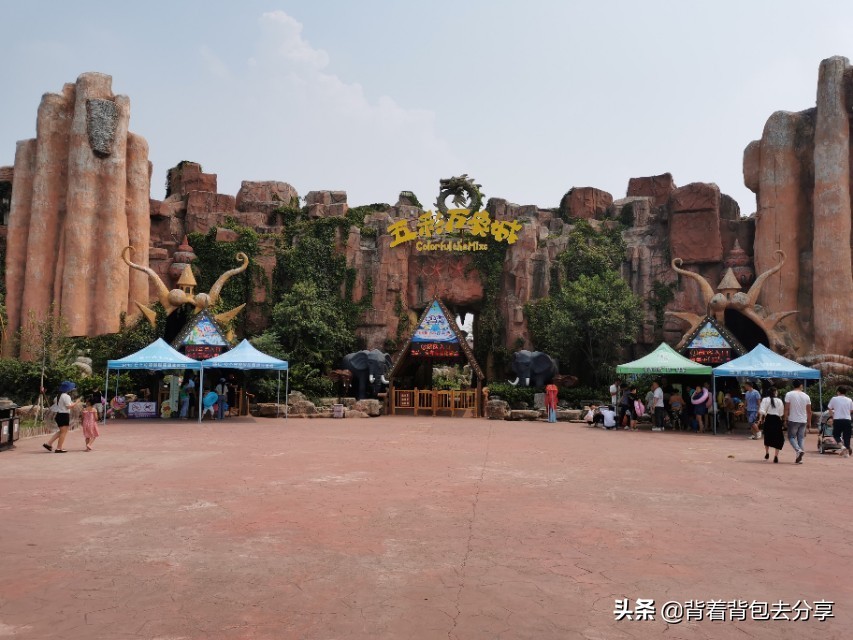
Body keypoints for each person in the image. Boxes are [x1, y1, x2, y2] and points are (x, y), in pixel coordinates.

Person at [43, 381, 79, 453]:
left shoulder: (57, 397)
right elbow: (69, 406)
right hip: (64, 415)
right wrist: (76, 402)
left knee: (62, 431)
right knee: (63, 433)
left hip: (59, 415)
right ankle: (59, 448)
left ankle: (49, 443)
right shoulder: (66, 396)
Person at [784, 380, 812, 464]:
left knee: (791, 437)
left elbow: (786, 408)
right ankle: (800, 457)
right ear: (800, 386)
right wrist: (809, 422)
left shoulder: (789, 394)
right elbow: (809, 411)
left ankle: (798, 450)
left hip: (793, 419)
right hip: (803, 419)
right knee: (801, 438)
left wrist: (785, 419)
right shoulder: (806, 396)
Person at [757, 385, 785, 463]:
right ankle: (776, 456)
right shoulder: (779, 401)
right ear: (775, 392)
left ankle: (767, 453)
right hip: (777, 419)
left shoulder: (765, 399)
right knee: (778, 438)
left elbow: (761, 410)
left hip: (768, 418)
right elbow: (781, 413)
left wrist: (763, 416)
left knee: (767, 436)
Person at [827, 386, 853, 458]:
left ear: (838, 392)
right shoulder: (849, 400)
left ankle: (842, 447)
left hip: (837, 419)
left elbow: (829, 408)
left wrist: (832, 416)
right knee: (847, 436)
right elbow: (851, 410)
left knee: (836, 435)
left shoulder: (834, 399)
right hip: (847, 420)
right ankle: (846, 453)